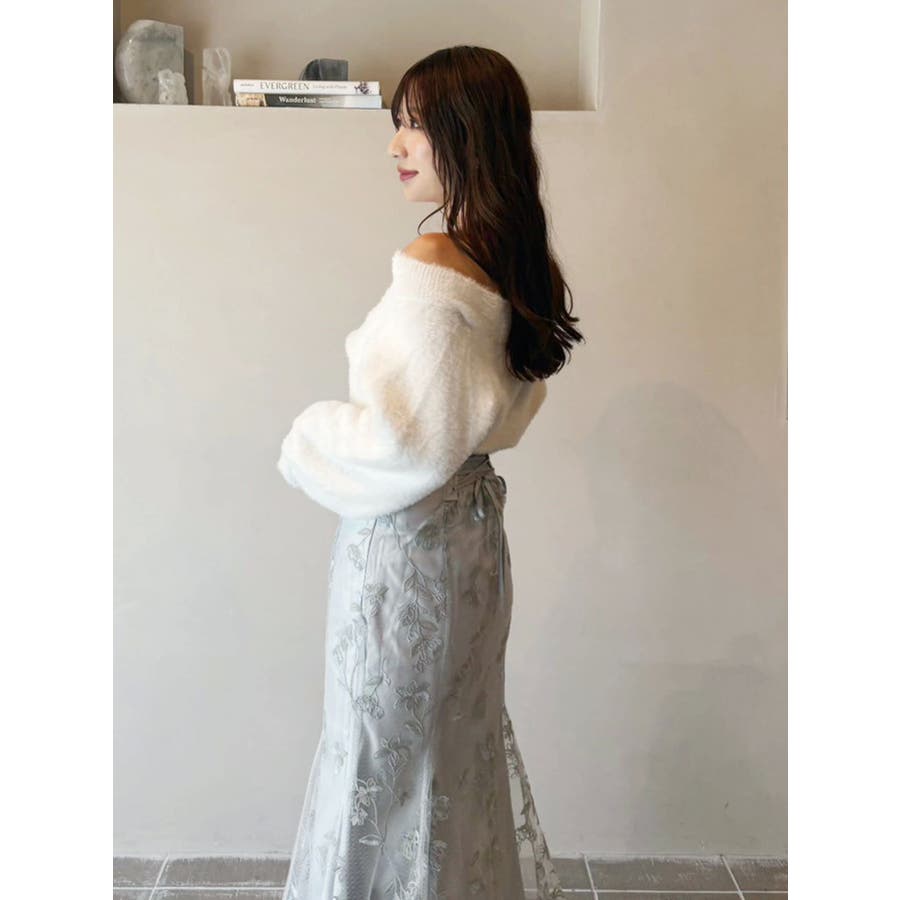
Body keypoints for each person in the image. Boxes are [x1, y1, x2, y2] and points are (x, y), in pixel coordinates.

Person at [277, 45, 585, 900]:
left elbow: (407, 445)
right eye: (397, 124)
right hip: (471, 547)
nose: (396, 145)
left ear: (468, 134)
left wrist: (306, 434)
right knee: (450, 753)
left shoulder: (435, 267)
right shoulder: (508, 259)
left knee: (373, 762)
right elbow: (488, 413)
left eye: (414, 125)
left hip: (405, 548)